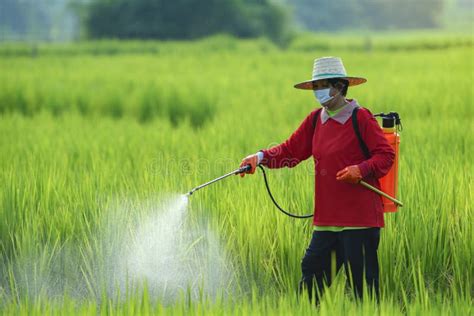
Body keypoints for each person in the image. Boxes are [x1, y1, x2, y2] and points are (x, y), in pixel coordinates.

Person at [239, 56, 395, 304]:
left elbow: (386, 155)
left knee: (364, 292)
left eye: (322, 85)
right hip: (327, 221)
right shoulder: (315, 120)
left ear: (340, 86)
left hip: (360, 221)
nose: (318, 91)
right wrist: (260, 157)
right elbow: (291, 151)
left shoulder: (360, 117)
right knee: (310, 285)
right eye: (315, 86)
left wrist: (361, 169)